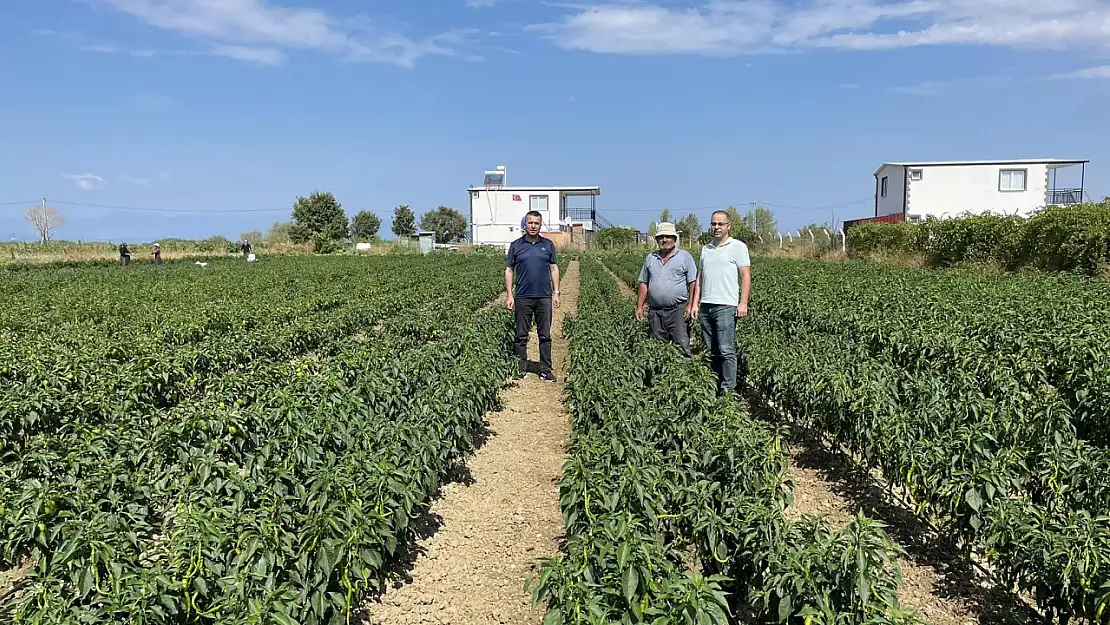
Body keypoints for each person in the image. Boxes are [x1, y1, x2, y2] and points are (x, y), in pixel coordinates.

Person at [691, 210, 751, 396]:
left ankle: (728, 392)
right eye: (713, 224)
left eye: (720, 224)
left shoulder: (737, 247)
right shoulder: (706, 249)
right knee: (712, 350)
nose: (716, 227)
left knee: (726, 350)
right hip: (706, 305)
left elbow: (746, 276)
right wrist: (695, 303)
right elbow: (699, 278)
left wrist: (743, 303)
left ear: (728, 226)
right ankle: (715, 387)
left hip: (726, 306)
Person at [505, 210, 560, 382]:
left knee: (545, 335)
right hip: (523, 296)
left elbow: (554, 268)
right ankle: (520, 368)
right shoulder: (516, 245)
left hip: (544, 297)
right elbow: (509, 270)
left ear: (540, 224)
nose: (533, 226)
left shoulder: (548, 245)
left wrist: (556, 292)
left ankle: (545, 370)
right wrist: (509, 295)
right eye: (530, 223)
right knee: (521, 335)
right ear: (525, 224)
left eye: (536, 223)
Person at [635, 222, 697, 357]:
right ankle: (661, 377)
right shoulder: (651, 258)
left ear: (674, 238)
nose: (665, 240)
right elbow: (644, 283)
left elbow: (693, 282)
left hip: (677, 310)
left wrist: (691, 305)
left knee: (681, 344)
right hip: (655, 311)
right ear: (657, 239)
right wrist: (640, 306)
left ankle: (684, 374)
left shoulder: (684, 257)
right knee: (658, 347)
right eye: (661, 237)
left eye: (668, 236)